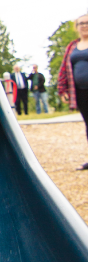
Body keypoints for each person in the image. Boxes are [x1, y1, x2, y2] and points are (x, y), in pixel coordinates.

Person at [58, 13, 88, 170]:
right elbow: (64, 69)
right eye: (81, 23)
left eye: (87, 22)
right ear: (77, 27)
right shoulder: (72, 47)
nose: (84, 25)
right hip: (81, 92)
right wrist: (62, 88)